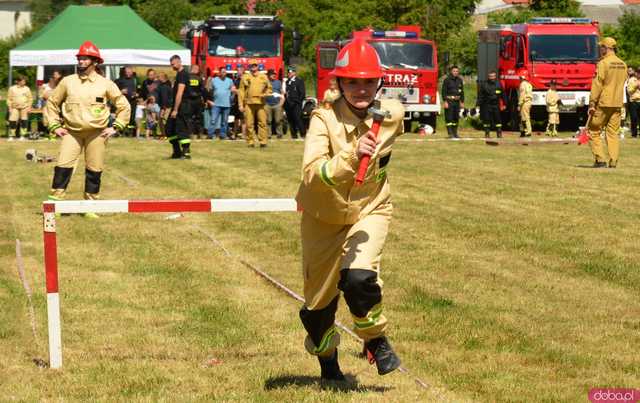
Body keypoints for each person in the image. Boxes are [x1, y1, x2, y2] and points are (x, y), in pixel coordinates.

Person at [295, 38, 403, 382]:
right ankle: (328, 363)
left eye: (369, 81)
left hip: (370, 208)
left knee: (359, 278)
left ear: (379, 83)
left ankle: (376, 341)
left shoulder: (392, 114)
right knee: (316, 311)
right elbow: (312, 173)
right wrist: (351, 155)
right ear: (339, 83)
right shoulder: (322, 119)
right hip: (322, 217)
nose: (361, 89)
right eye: (352, 81)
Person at [45, 41, 130, 217]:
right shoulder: (67, 82)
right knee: (63, 166)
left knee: (94, 169)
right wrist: (55, 125)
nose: (81, 62)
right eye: (80, 58)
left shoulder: (106, 84)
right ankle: (55, 205)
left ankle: (90, 206)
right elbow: (52, 103)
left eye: (85, 59)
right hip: (72, 132)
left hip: (97, 133)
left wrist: (116, 127)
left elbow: (124, 106)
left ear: (95, 62)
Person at [587, 37, 627, 168]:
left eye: (601, 47)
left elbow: (598, 84)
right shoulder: (623, 64)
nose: (600, 49)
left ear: (606, 48)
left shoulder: (603, 63)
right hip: (617, 102)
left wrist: (592, 103)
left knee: (593, 129)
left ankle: (600, 159)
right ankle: (614, 160)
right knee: (613, 132)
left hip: (604, 103)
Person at [238, 62, 272, 148]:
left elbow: (269, 88)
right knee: (249, 124)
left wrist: (265, 94)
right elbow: (241, 91)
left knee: (262, 123)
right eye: (252, 65)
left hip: (261, 103)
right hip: (248, 103)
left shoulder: (263, 76)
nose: (253, 67)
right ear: (249, 66)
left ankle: (263, 142)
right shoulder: (245, 77)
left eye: (255, 65)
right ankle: (250, 142)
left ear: (258, 66)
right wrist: (240, 105)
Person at [166, 55, 193, 159]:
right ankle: (176, 152)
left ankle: (186, 153)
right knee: (170, 128)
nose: (171, 66)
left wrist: (176, 110)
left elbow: (180, 93)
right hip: (177, 106)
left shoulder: (183, 75)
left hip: (182, 106)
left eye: (173, 64)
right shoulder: (179, 74)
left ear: (179, 62)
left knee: (182, 129)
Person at [477, 70, 505, 138]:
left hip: (496, 105)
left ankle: (499, 133)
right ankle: (487, 133)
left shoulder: (498, 84)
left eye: (493, 76)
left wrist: (504, 104)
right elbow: (480, 95)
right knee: (486, 120)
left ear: (495, 76)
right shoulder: (484, 84)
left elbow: (503, 95)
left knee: (498, 119)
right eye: (490, 76)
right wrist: (478, 104)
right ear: (488, 77)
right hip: (486, 105)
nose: (492, 78)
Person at [209, 67, 235, 140]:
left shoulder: (230, 81)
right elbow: (209, 91)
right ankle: (211, 134)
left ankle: (222, 135)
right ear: (219, 73)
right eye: (222, 72)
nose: (224, 73)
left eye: (225, 72)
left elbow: (233, 90)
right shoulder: (214, 80)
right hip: (216, 104)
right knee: (213, 120)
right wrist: (210, 101)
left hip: (226, 104)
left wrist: (232, 98)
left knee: (224, 121)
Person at [7, 76, 33, 141]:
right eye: (23, 81)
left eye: (25, 81)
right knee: (12, 121)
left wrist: (29, 107)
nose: (24, 82)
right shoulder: (12, 88)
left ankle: (22, 136)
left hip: (24, 107)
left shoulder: (27, 88)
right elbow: (9, 99)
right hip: (14, 108)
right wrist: (10, 107)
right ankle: (11, 136)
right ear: (18, 81)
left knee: (24, 121)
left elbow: (30, 98)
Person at [441, 66, 464, 138]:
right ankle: (450, 133)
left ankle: (455, 133)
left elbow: (462, 92)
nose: (456, 72)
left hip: (457, 102)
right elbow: (443, 92)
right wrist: (445, 101)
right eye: (454, 71)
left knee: (456, 118)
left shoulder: (460, 80)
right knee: (449, 118)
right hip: (449, 101)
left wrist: (462, 101)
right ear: (451, 71)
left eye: (457, 71)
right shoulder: (447, 80)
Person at [284, 65, 306, 139]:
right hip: (288, 103)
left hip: (296, 103)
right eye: (288, 72)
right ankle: (294, 135)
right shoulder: (287, 81)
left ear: (294, 72)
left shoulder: (299, 81)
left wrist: (299, 102)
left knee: (298, 119)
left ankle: (303, 134)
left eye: (290, 72)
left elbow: (302, 93)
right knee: (290, 120)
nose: (288, 74)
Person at [39, 71, 62, 140]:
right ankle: (48, 134)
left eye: (54, 79)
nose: (52, 81)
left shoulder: (58, 87)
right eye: (52, 79)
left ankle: (53, 135)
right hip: (46, 106)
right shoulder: (44, 86)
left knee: (55, 120)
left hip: (56, 106)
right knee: (46, 121)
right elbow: (42, 96)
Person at [114, 66, 137, 136]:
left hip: (133, 102)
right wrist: (121, 91)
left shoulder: (135, 80)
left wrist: (136, 94)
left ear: (132, 72)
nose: (128, 73)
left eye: (129, 72)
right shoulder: (119, 80)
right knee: (122, 116)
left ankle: (130, 133)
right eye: (126, 72)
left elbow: (139, 91)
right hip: (123, 102)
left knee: (132, 117)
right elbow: (113, 91)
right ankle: (120, 132)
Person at [188, 64, 208, 138]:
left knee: (189, 117)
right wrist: (205, 100)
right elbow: (203, 90)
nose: (198, 70)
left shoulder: (187, 78)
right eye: (197, 69)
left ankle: (190, 133)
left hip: (189, 100)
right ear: (194, 69)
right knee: (199, 117)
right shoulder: (199, 79)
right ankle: (200, 133)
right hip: (197, 100)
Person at [265, 69, 285, 139]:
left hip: (277, 104)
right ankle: (268, 135)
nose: (274, 75)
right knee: (268, 120)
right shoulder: (265, 82)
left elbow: (282, 92)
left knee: (278, 120)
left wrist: (281, 102)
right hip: (267, 104)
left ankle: (279, 134)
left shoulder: (278, 82)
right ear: (268, 75)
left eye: (275, 74)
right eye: (272, 74)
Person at [231, 65, 249, 140]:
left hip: (244, 102)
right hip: (236, 101)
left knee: (243, 119)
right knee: (236, 118)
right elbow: (232, 89)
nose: (238, 72)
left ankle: (244, 135)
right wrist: (239, 91)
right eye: (237, 71)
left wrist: (238, 91)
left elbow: (247, 91)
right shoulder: (236, 80)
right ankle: (234, 134)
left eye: (240, 71)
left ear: (243, 71)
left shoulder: (246, 80)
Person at [156, 72, 172, 139]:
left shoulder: (164, 86)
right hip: (165, 106)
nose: (157, 78)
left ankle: (165, 135)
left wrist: (163, 108)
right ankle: (164, 134)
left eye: (158, 76)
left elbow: (164, 97)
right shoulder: (165, 85)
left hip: (166, 107)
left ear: (162, 77)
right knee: (161, 120)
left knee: (164, 120)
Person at [518, 73, 533, 137]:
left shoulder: (522, 84)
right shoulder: (529, 84)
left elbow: (522, 95)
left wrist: (519, 104)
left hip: (524, 102)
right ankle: (525, 131)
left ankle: (527, 131)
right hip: (529, 102)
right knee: (526, 116)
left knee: (524, 117)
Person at [626, 67, 639, 138]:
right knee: (634, 118)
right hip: (633, 101)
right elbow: (629, 91)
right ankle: (634, 134)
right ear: (636, 73)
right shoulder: (631, 80)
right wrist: (635, 86)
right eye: (638, 73)